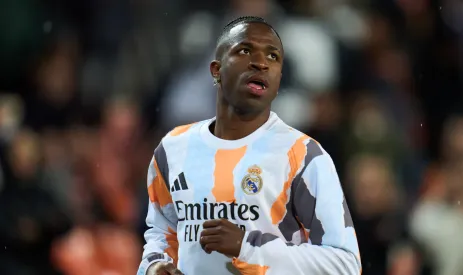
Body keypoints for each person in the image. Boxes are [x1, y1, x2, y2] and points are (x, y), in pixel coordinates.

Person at [137, 16, 361, 275]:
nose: (261, 63)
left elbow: (345, 264)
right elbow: (160, 232)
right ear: (216, 70)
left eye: (273, 57)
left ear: (278, 81)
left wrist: (248, 249)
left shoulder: (303, 155)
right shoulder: (173, 149)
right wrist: (154, 265)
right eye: (245, 50)